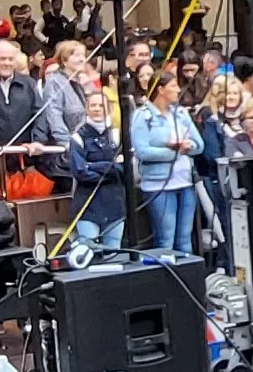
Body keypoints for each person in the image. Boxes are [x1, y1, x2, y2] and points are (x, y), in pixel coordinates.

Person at [130, 71, 202, 256]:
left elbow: (199, 145)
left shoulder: (180, 113)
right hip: (158, 184)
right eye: (173, 86)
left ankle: (189, 280)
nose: (178, 89)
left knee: (185, 238)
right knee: (165, 239)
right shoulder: (142, 116)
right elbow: (142, 151)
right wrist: (173, 151)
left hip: (185, 181)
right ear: (161, 90)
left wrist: (188, 145)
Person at [65, 92, 128, 251]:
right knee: (89, 252)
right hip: (88, 205)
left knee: (114, 252)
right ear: (86, 109)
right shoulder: (77, 138)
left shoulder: (118, 135)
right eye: (93, 105)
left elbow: (126, 169)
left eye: (101, 105)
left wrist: (94, 166)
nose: (97, 109)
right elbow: (80, 172)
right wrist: (111, 167)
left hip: (115, 204)